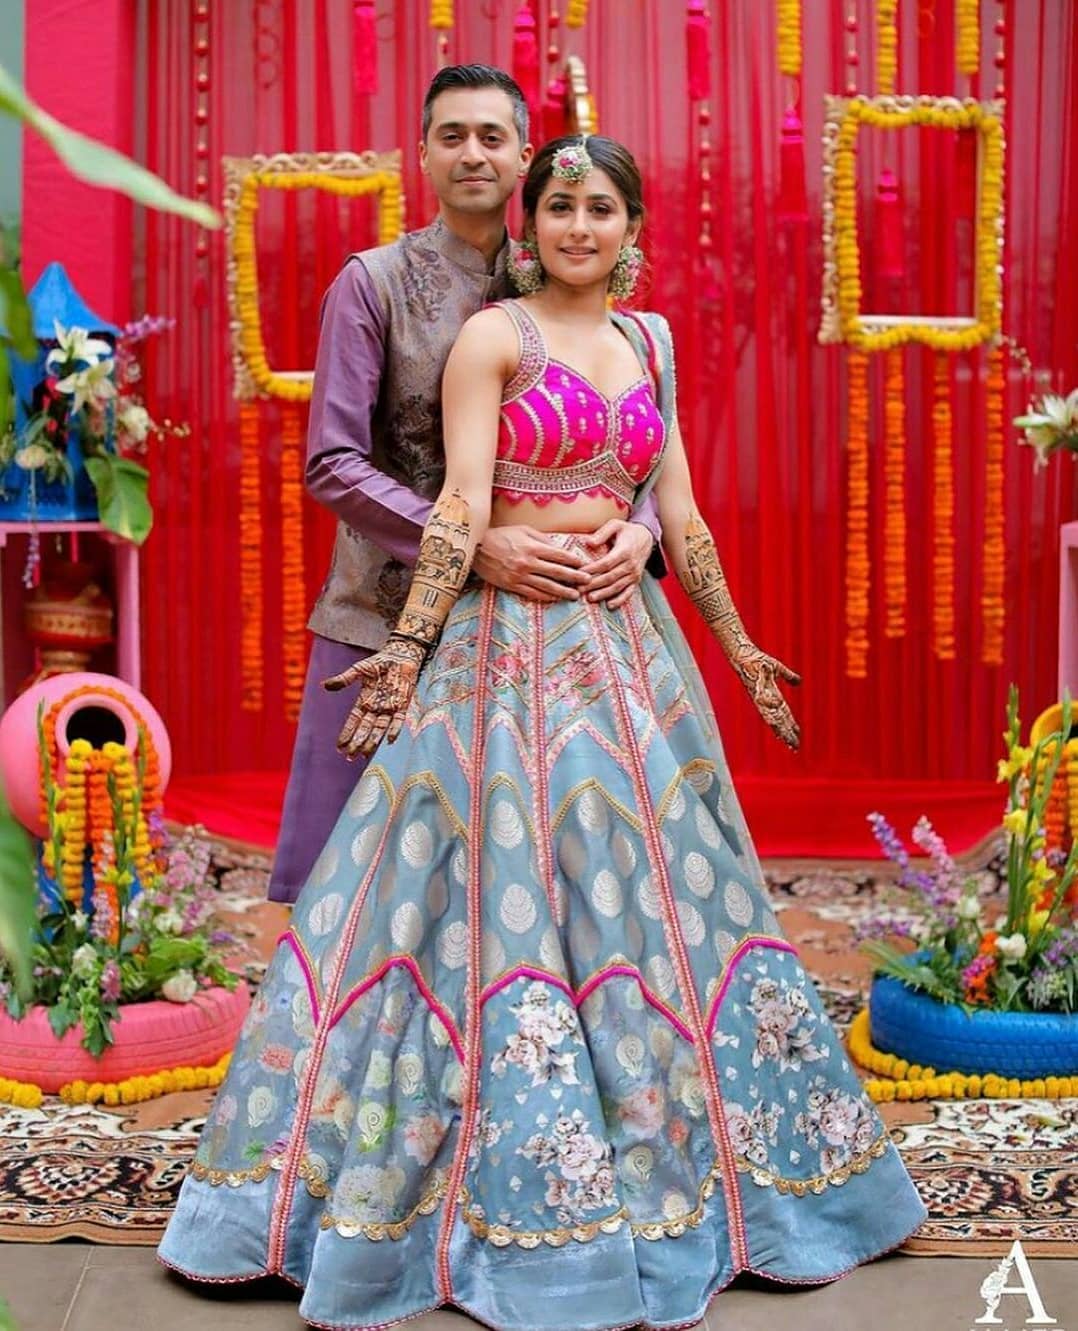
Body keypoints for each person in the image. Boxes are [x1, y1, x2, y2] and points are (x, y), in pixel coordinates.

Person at [160, 134, 926, 1330]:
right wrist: (405, 652)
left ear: (633, 226)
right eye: (561, 206)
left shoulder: (652, 342)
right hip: (501, 656)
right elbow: (462, 503)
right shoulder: (494, 336)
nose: (579, 226)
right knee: (478, 895)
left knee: (664, 896)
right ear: (536, 222)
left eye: (602, 207)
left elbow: (676, 509)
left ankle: (701, 1179)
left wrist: (728, 637)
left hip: (628, 663)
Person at [268, 66, 662, 904]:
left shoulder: (566, 269)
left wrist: (646, 527)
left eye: (492, 137)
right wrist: (471, 545)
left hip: (541, 633)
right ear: (422, 155)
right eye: (453, 136)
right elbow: (331, 462)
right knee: (359, 889)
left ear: (526, 156)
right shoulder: (370, 284)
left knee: (525, 892)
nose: (473, 154)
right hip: (385, 614)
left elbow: (630, 424)